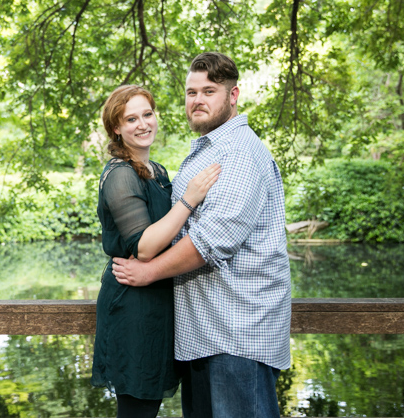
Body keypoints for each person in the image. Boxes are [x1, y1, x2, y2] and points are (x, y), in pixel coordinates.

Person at [112, 52, 292, 418]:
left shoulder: (239, 154)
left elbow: (212, 241)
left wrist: (147, 272)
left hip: (237, 334)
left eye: (209, 91)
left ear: (233, 95)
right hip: (207, 333)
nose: (197, 100)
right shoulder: (208, 150)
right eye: (191, 92)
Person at [91, 84, 221, 418]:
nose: (142, 124)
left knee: (151, 404)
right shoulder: (120, 175)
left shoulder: (157, 171)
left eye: (147, 114)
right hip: (133, 302)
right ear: (116, 128)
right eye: (130, 118)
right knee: (138, 410)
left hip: (160, 299)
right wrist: (190, 198)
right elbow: (146, 248)